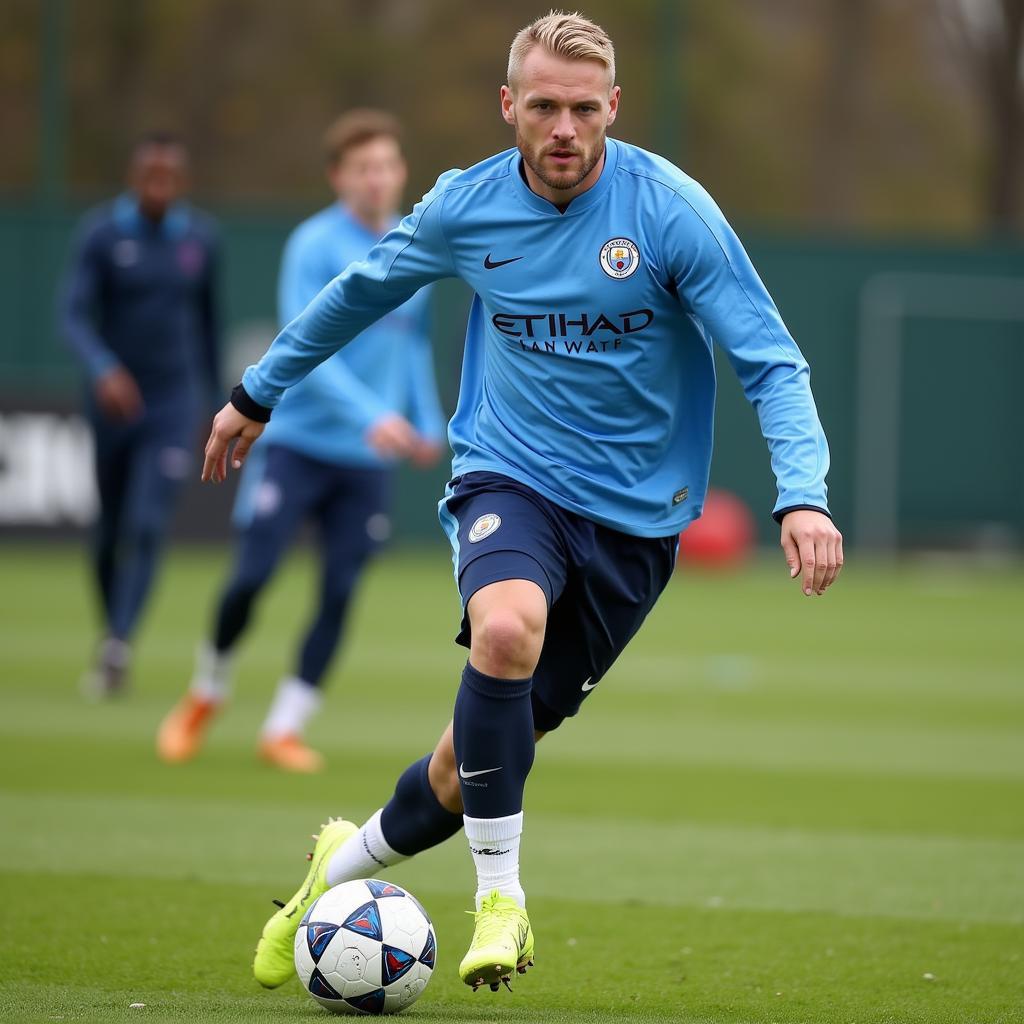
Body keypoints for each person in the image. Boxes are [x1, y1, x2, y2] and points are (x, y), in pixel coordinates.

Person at [202, 10, 844, 997]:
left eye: (583, 109)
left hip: (634, 523)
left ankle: (327, 877)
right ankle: (500, 896)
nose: (562, 129)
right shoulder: (467, 207)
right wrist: (257, 393)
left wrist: (802, 494)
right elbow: (359, 290)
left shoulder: (668, 211)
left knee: (467, 771)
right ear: (509, 105)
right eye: (542, 106)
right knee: (505, 630)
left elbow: (769, 359)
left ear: (612, 109)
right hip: (509, 475)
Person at [156, 110, 444, 773]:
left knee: (341, 590)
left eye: (387, 166)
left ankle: (284, 727)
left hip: (364, 462)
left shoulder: (413, 243)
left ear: (402, 172)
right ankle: (207, 691)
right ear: (338, 177)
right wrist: (374, 413)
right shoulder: (313, 245)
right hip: (296, 445)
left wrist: (427, 420)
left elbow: (415, 343)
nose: (377, 180)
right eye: (363, 168)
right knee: (251, 579)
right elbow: (303, 344)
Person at [61, 133, 220, 697]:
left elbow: (207, 326)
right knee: (109, 531)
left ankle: (118, 643)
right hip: (113, 402)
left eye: (168, 176)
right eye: (150, 174)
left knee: (148, 523)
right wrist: (103, 368)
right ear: (135, 176)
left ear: (180, 181)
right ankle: (112, 629)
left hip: (173, 403)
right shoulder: (102, 234)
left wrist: (215, 403)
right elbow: (73, 314)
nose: (159, 185)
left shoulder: (200, 239)